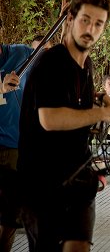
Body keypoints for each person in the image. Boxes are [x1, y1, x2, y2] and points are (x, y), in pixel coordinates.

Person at [17, 0, 110, 252]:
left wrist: (99, 100)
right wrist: (102, 113)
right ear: (71, 19)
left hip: (78, 177)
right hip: (43, 183)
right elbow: (49, 119)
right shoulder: (50, 63)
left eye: (99, 23)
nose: (91, 28)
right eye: (85, 20)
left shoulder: (86, 66)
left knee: (79, 246)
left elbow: (74, 103)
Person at [0, 43, 33, 251]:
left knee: (10, 216)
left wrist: (65, 27)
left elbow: (51, 56)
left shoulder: (21, 53)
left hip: (14, 147)